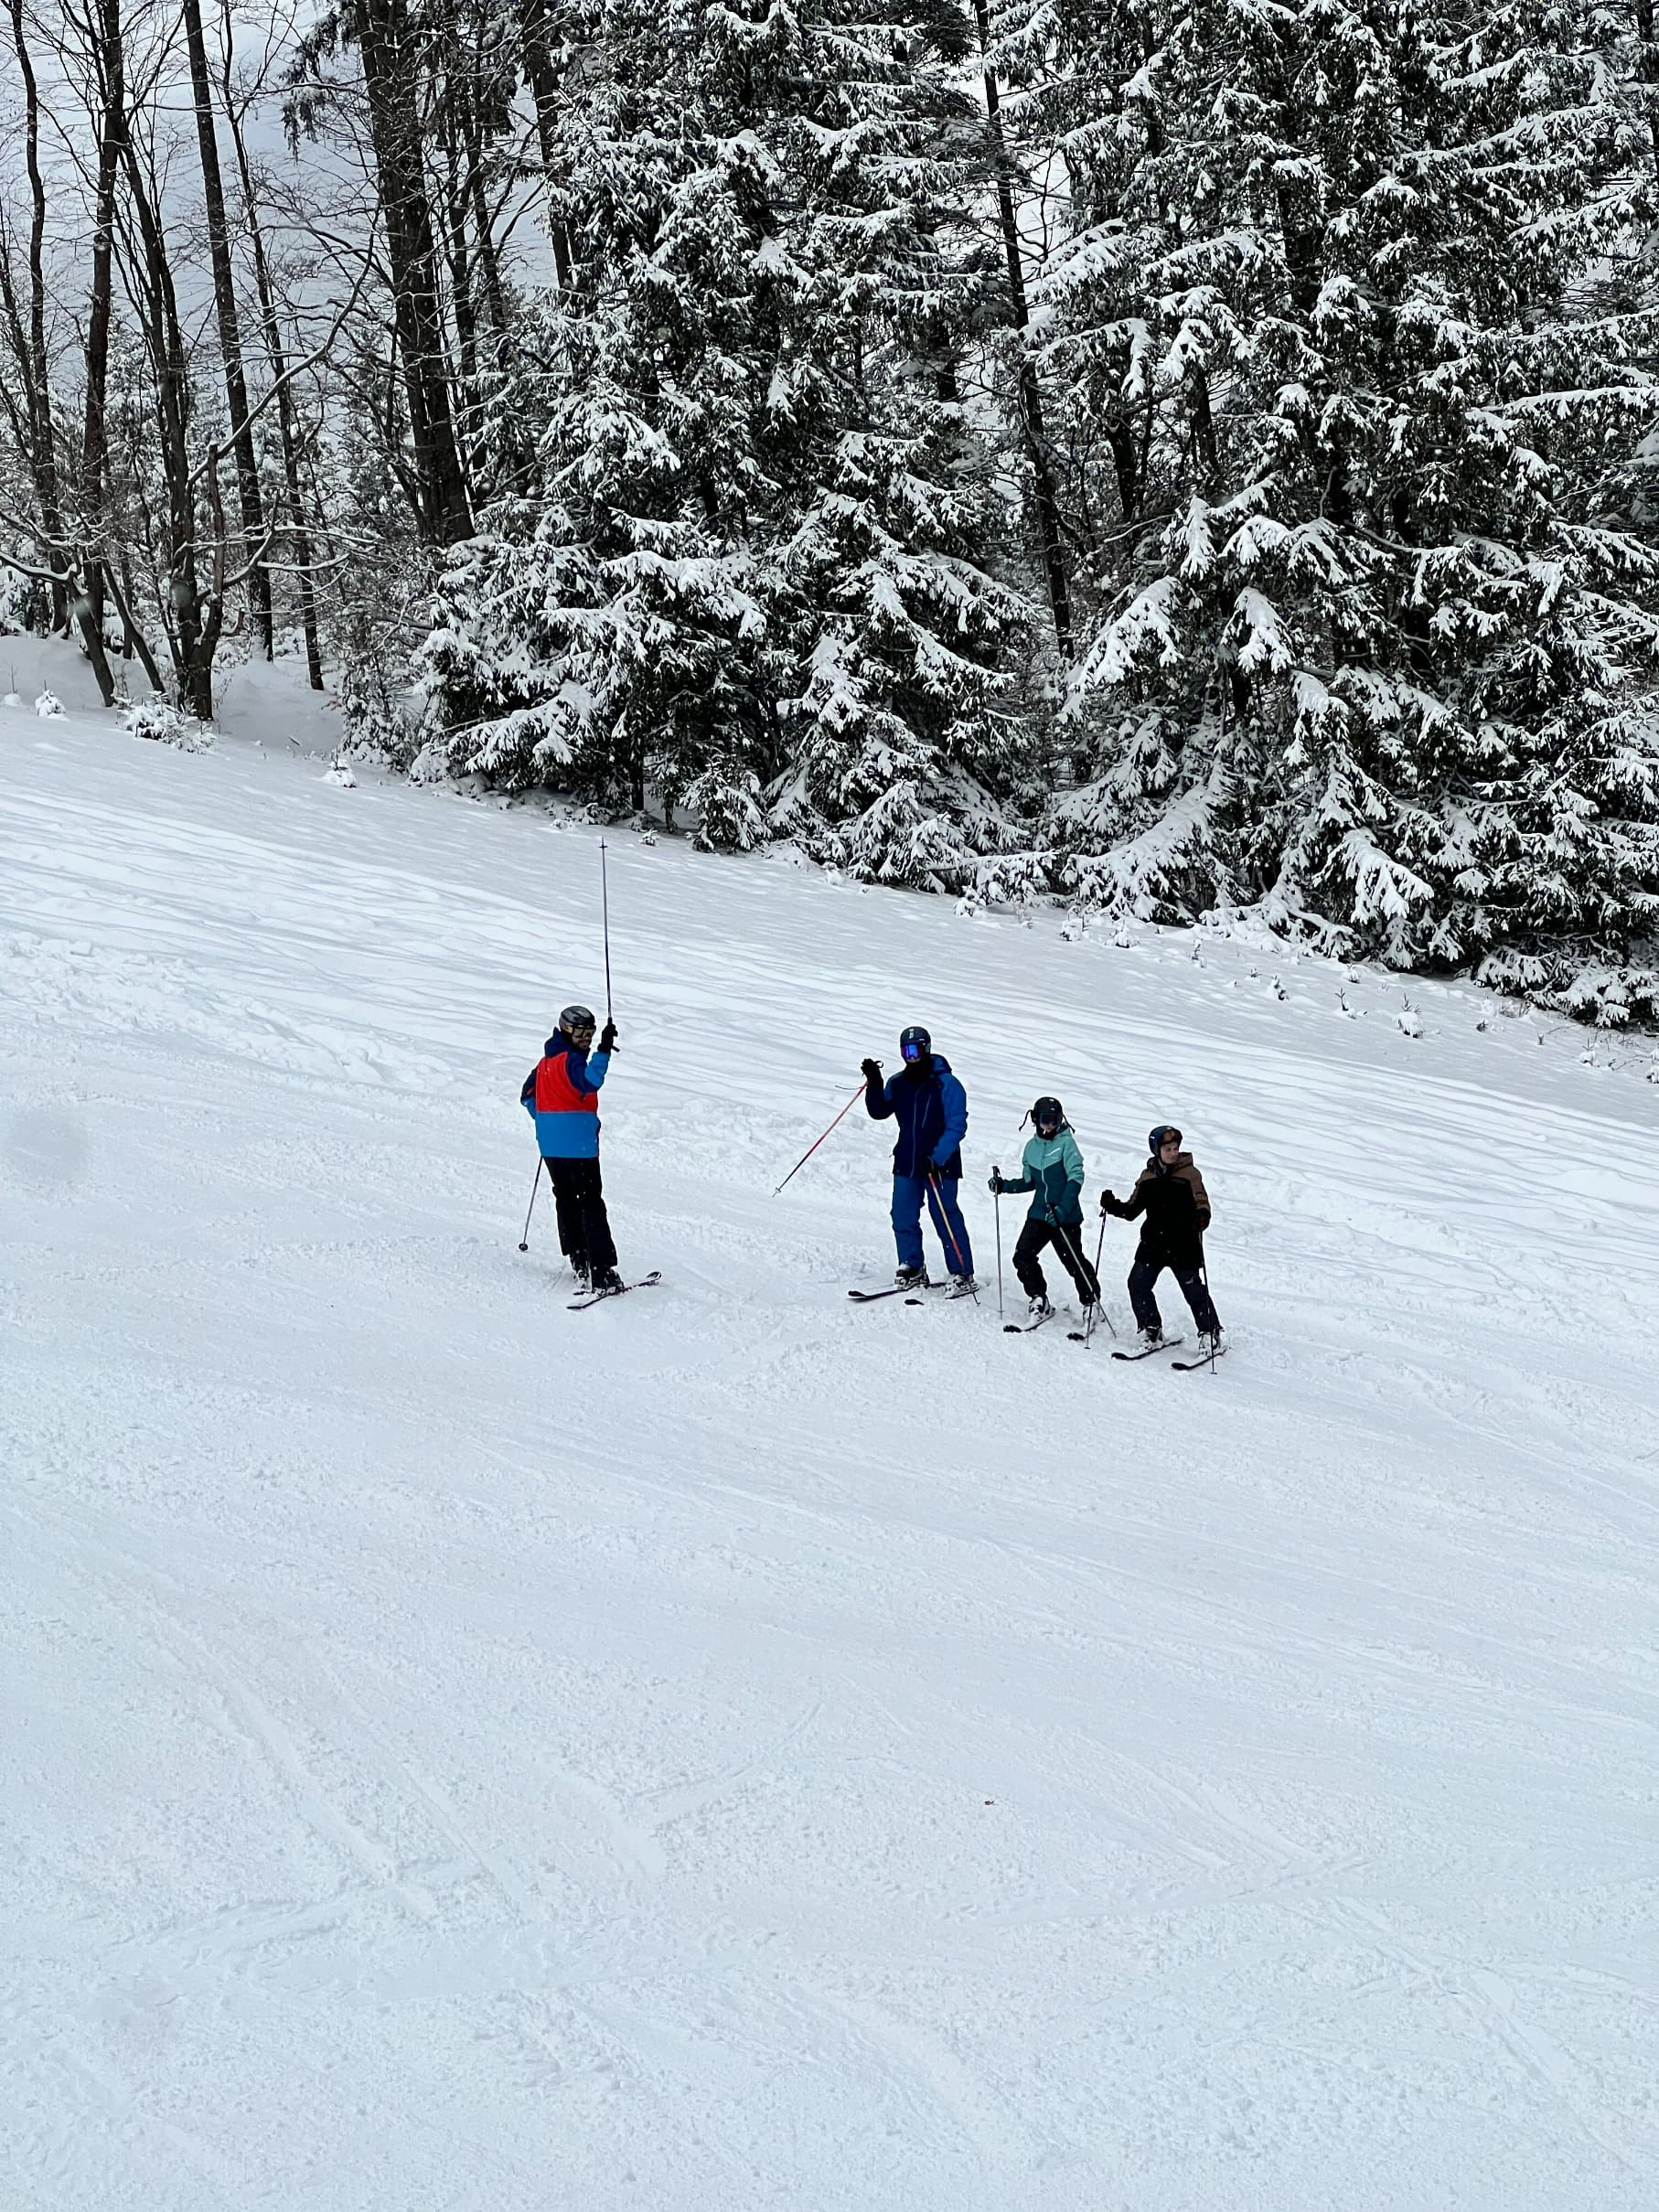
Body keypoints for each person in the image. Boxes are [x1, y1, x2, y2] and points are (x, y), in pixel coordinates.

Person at [861, 1025, 976, 1292]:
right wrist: (874, 1081)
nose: (911, 1057)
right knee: (902, 1214)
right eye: (906, 1051)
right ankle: (912, 1266)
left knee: (945, 1216)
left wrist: (937, 1157)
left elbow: (957, 1124)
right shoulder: (898, 1082)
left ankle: (962, 1272)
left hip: (939, 1164)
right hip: (907, 1161)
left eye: (915, 1050)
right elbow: (879, 1110)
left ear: (927, 1049)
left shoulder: (947, 1084)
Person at [520, 1003, 622, 1292]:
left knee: (566, 1198)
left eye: (590, 1033)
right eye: (580, 1033)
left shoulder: (545, 1062)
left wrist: (546, 1120)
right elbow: (590, 1082)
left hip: (551, 1146)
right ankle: (602, 1272)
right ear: (566, 1030)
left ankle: (579, 1258)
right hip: (579, 1146)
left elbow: (527, 1095)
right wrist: (604, 1050)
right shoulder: (571, 1060)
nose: (586, 1039)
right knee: (591, 1202)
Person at [1100, 1124, 1222, 1350]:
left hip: (1183, 1243)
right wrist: (1112, 1205)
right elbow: (1132, 1210)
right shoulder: (1148, 1177)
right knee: (1137, 1284)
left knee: (1193, 1290)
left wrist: (1202, 1217)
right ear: (1157, 1151)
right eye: (1168, 1149)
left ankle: (1210, 1333)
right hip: (1153, 1243)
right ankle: (1151, 1329)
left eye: (1176, 1148)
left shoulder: (1190, 1174)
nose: (1173, 1153)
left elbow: (1202, 1202)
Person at [989, 1096, 1102, 1320]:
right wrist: (1004, 1186)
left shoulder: (1067, 1144)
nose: (1050, 1125)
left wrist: (1062, 1209)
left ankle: (1091, 1303)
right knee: (1023, 1256)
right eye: (1045, 1120)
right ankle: (1039, 1298)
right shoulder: (1031, 1148)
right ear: (1035, 1120)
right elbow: (1030, 1182)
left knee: (1073, 1261)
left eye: (1055, 1120)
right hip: (1040, 1213)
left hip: (1065, 1216)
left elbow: (1076, 1178)